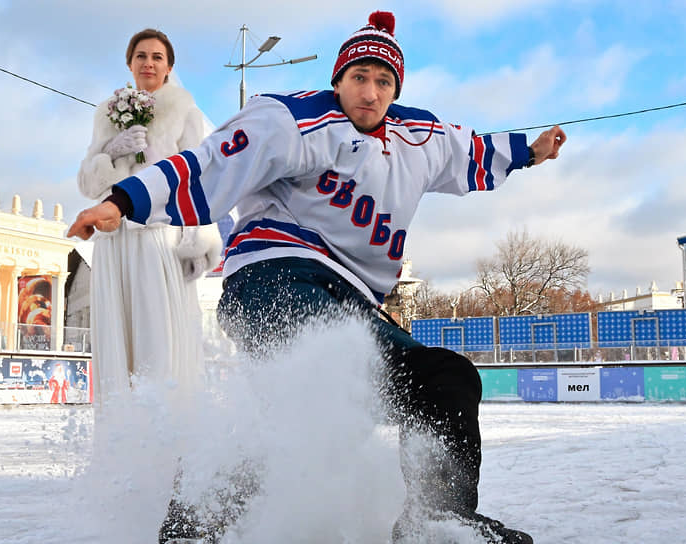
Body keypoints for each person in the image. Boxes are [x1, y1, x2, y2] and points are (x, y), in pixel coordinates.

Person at [68, 11, 566, 544]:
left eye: (383, 82)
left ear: (395, 90)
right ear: (338, 80)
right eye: (359, 78)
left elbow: (473, 152)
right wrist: (124, 200)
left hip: (350, 300)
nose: (370, 94)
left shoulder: (421, 138)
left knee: (446, 380)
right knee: (311, 383)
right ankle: (195, 525)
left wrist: (530, 153)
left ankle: (436, 517)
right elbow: (209, 164)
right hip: (272, 277)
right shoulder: (291, 121)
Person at [76, 29, 222, 402]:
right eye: (141, 56)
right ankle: (120, 439)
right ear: (129, 64)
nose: (148, 63)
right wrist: (109, 152)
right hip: (115, 239)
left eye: (157, 57)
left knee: (158, 337)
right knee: (117, 342)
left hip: (159, 237)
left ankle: (168, 439)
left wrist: (198, 239)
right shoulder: (107, 114)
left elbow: (196, 181)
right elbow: (88, 183)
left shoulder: (184, 112)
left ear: (169, 67)